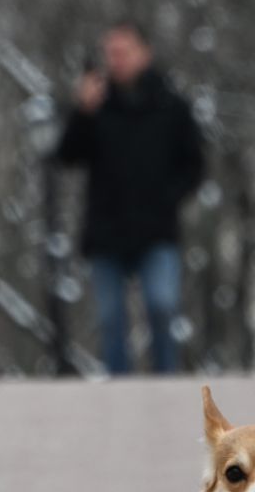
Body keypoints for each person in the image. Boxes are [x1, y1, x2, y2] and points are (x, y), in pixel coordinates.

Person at [54, 22, 206, 376]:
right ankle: (119, 390)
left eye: (123, 52)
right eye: (110, 53)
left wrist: (168, 197)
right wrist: (82, 113)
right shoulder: (96, 108)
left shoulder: (172, 106)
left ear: (144, 53)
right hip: (106, 231)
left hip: (157, 228)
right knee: (110, 319)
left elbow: (194, 165)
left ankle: (166, 380)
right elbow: (66, 156)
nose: (115, 60)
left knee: (162, 303)